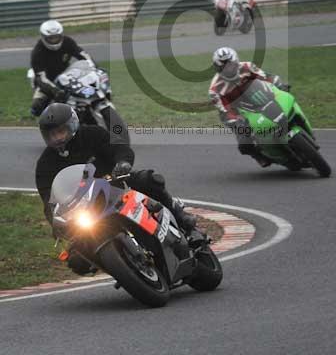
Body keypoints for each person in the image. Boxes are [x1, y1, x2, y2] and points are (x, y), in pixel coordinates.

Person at [35, 103, 196, 274]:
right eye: (52, 134)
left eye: (61, 131)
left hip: (115, 185)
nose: (57, 138)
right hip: (84, 209)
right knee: (76, 260)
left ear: (72, 125)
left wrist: (123, 163)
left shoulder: (93, 134)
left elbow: (119, 148)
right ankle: (122, 268)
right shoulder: (45, 165)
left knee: (147, 180)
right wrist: (55, 221)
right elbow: (49, 200)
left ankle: (178, 214)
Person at [209, 47, 289, 167]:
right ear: (218, 68)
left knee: (285, 100)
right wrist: (236, 121)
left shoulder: (247, 66)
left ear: (236, 61)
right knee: (244, 144)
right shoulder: (215, 89)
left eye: (231, 64)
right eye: (224, 67)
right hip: (239, 112)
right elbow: (224, 111)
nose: (229, 69)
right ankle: (257, 155)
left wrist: (279, 84)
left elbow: (266, 76)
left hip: (259, 96)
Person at [30, 20, 96, 117]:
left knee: (88, 90)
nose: (54, 40)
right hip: (48, 80)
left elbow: (83, 55)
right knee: (37, 107)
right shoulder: (38, 52)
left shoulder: (67, 42)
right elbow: (41, 78)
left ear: (61, 35)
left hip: (67, 75)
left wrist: (95, 68)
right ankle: (50, 124)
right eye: (50, 38)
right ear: (43, 37)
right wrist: (55, 91)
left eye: (56, 37)